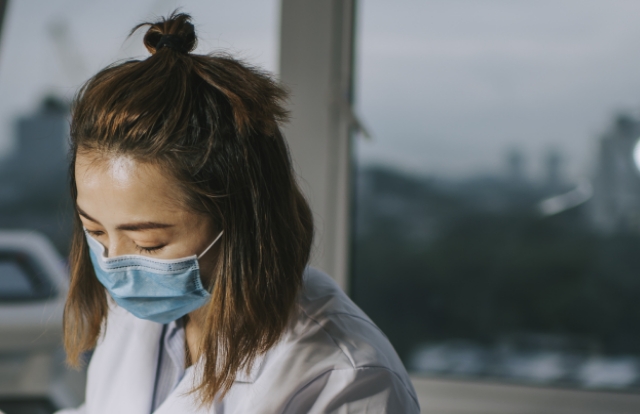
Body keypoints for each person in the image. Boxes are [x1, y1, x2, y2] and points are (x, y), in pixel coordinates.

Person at [56, 12, 420, 414]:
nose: (115, 266)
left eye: (149, 244)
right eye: (97, 232)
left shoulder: (346, 379)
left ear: (241, 219)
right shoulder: (139, 313)